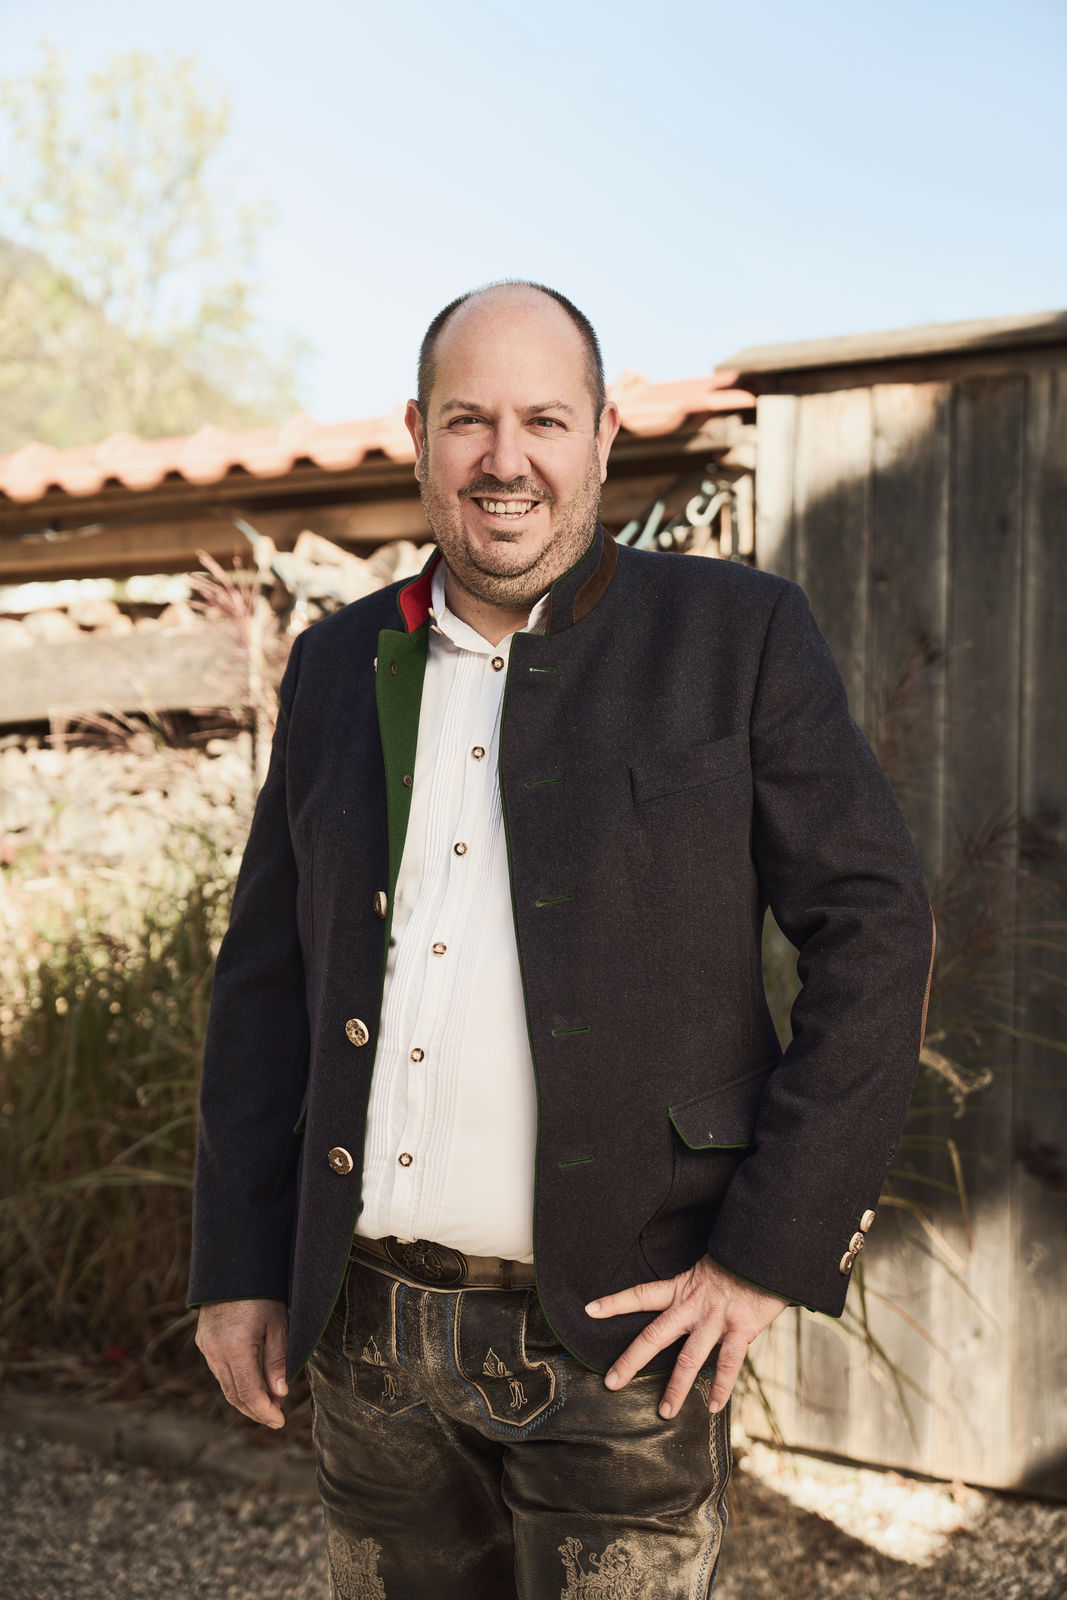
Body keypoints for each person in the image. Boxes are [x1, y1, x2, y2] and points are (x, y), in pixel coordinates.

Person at [189, 281, 934, 1598]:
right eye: (468, 420)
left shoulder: (736, 636)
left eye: (543, 419)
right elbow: (264, 985)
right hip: (365, 1338)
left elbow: (875, 933)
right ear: (419, 436)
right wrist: (240, 1264)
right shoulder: (339, 665)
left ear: (600, 436)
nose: (505, 458)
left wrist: (767, 1253)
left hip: (624, 1338)